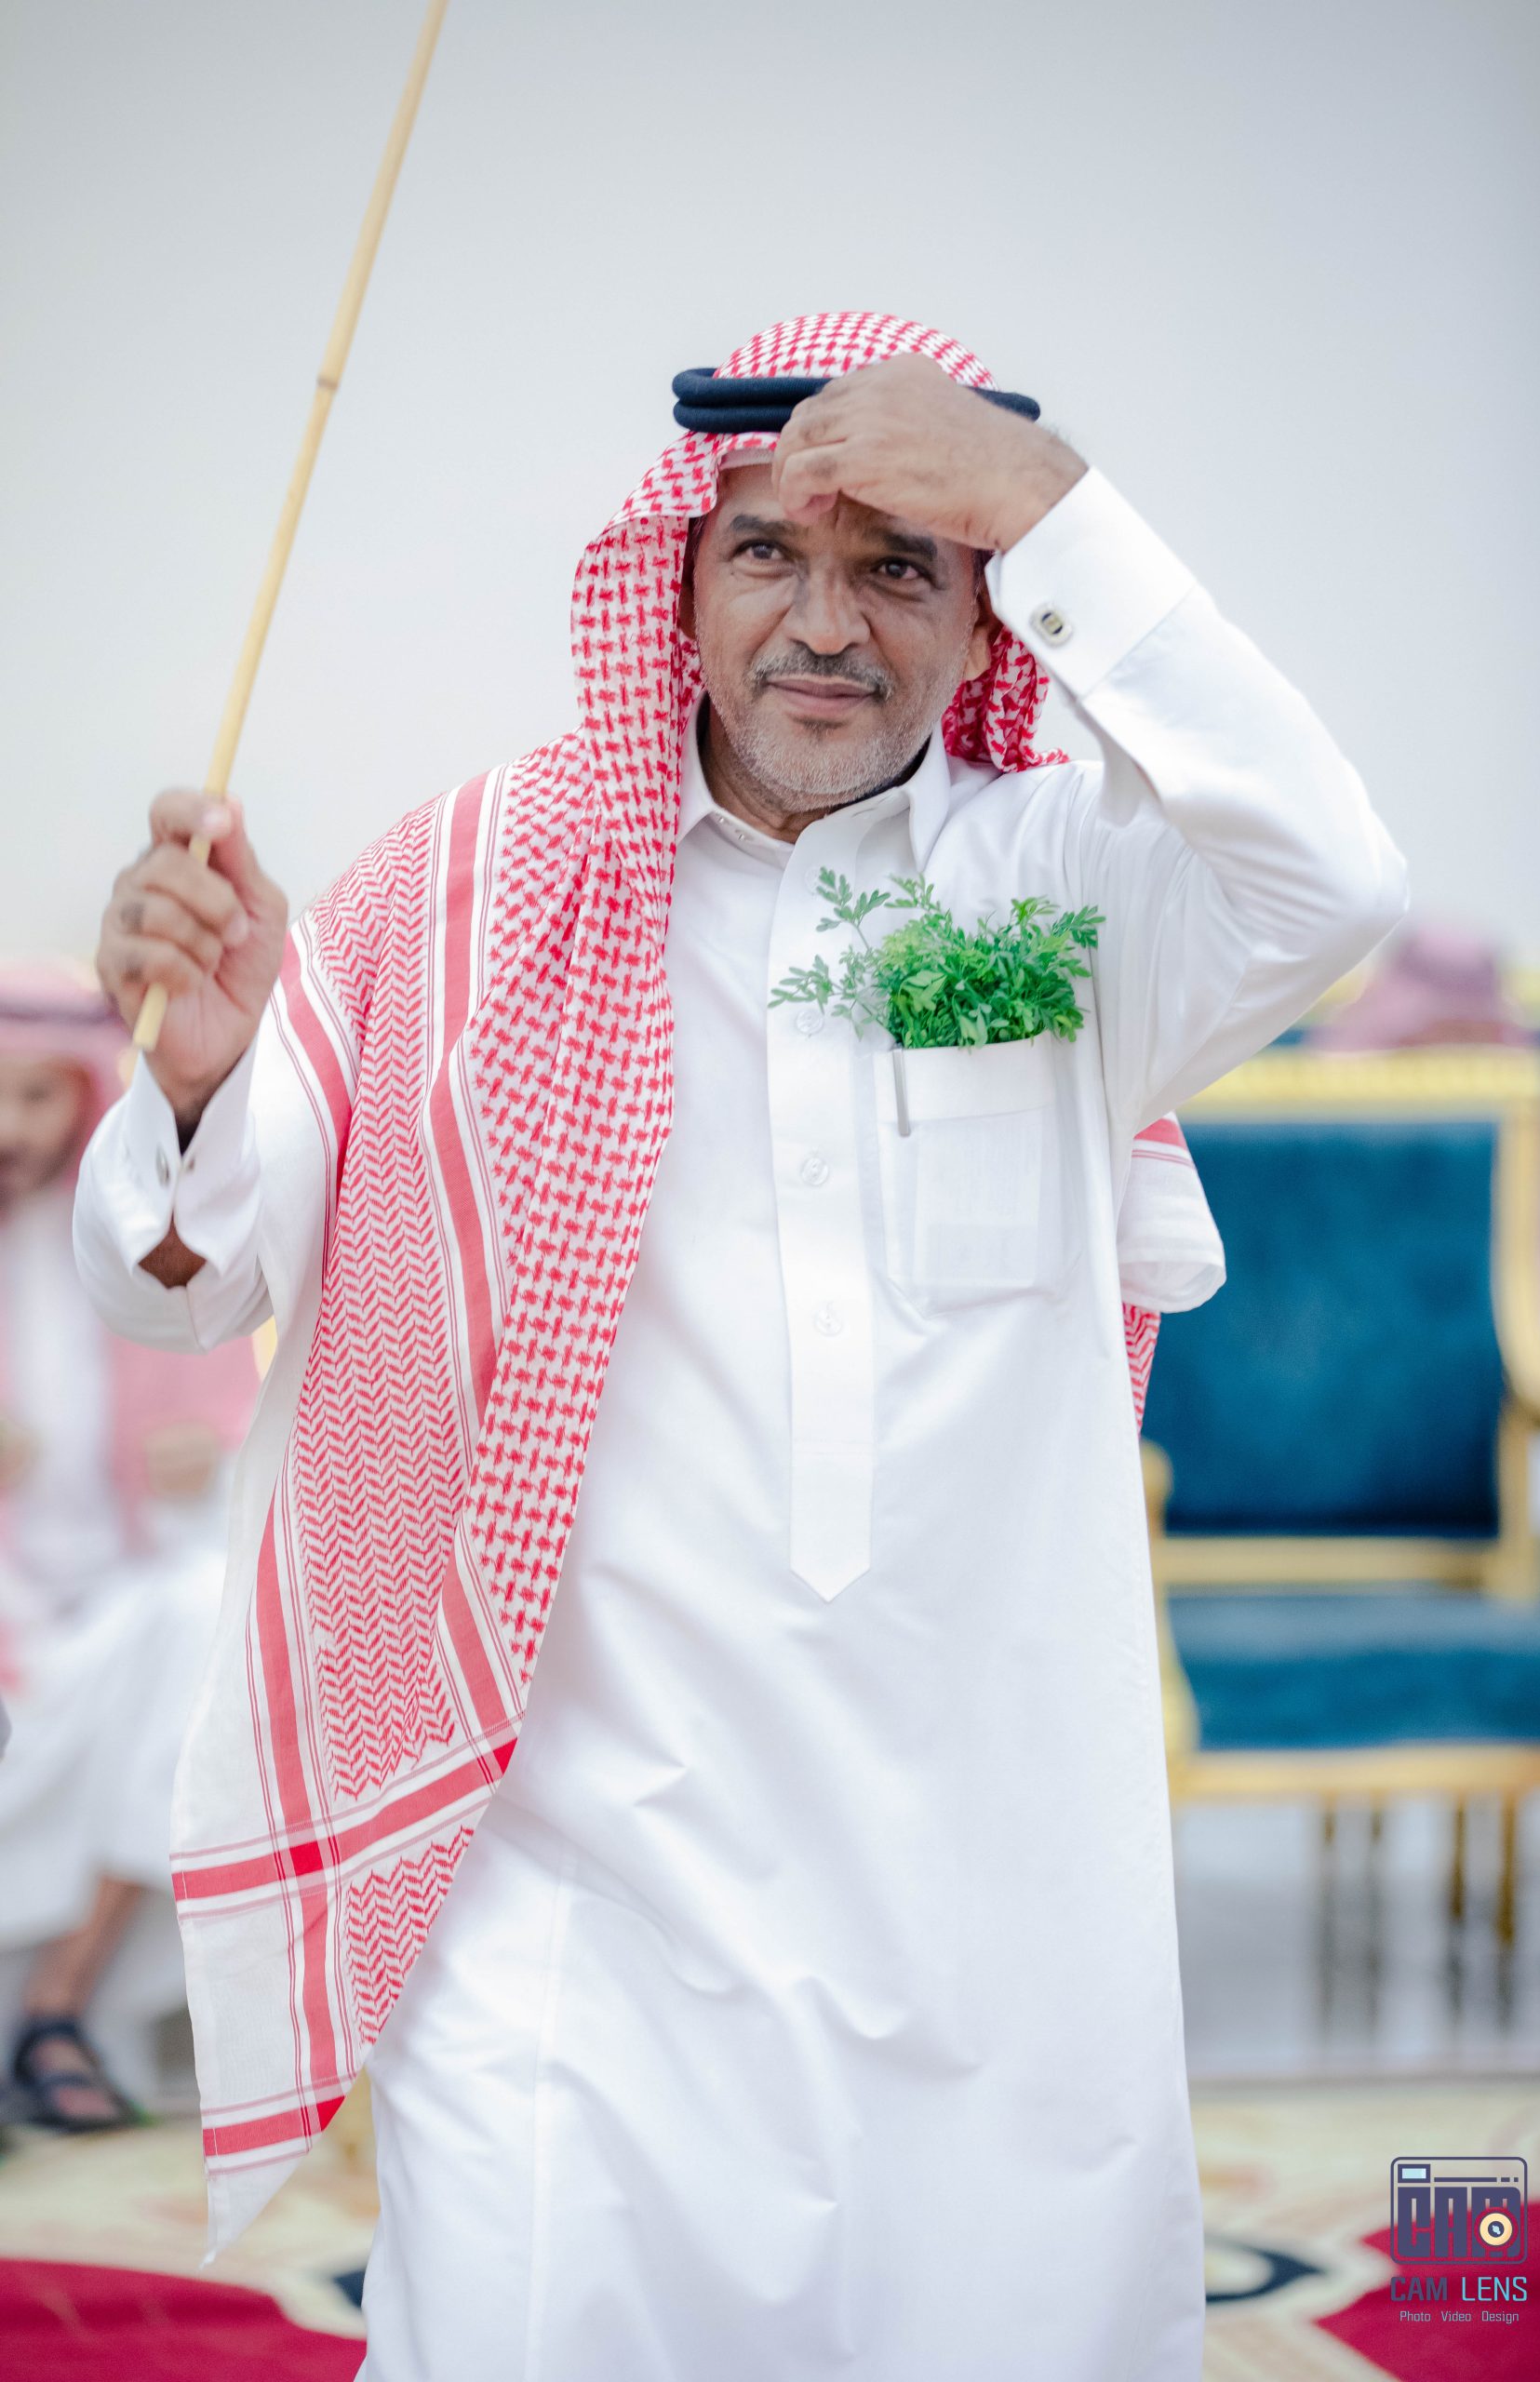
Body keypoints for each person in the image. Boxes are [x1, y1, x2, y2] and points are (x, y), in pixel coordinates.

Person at [74, 314, 1406, 2380]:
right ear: (677, 579)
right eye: (769, 551)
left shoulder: (1066, 893)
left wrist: (1047, 498)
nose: (826, 623)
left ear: (989, 612)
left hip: (989, 1933)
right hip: (579, 1928)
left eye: (900, 565)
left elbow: (1334, 875)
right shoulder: (462, 895)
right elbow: (183, 1275)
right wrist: (206, 1070)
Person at [0, 963, 259, 2128]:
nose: (14, 1130)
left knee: (204, 1607)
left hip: (110, 1602)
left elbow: (227, 1415)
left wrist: (201, 1457)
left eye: (37, 1098)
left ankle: (57, 2005)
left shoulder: (131, 1241)